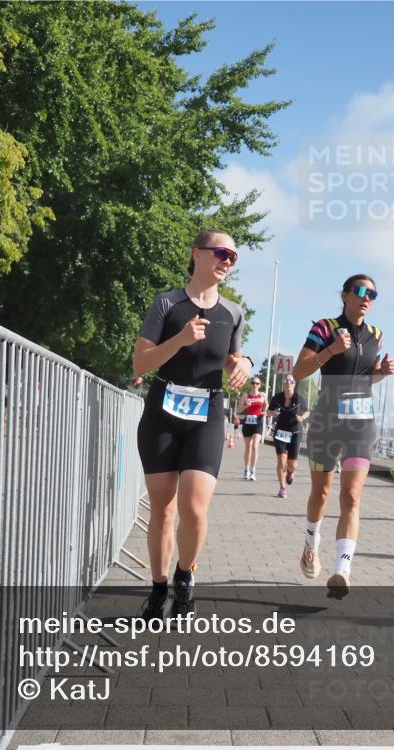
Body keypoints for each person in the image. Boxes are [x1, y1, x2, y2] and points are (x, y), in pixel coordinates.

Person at [133, 229, 252, 619]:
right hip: (162, 411)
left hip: (207, 414)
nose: (227, 261)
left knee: (195, 509)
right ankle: (157, 589)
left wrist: (244, 364)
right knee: (163, 511)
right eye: (221, 252)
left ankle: (185, 581)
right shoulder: (166, 304)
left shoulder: (233, 312)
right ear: (197, 254)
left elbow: (234, 356)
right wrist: (180, 340)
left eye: (233, 256)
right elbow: (140, 364)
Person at [292, 274, 394, 599]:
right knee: (321, 495)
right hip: (326, 419)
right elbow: (299, 371)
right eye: (361, 291)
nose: (367, 297)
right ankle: (311, 544)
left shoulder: (376, 335)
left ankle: (342, 569)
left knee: (351, 497)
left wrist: (381, 372)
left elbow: (367, 378)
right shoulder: (324, 328)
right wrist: (332, 350)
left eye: (373, 293)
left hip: (361, 421)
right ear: (346, 295)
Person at [267, 375, 310, 498]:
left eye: (291, 381)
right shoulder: (277, 397)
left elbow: (308, 411)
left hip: (295, 432)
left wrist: (302, 417)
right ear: (283, 384)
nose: (288, 383)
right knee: (281, 461)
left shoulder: (299, 398)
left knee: (292, 464)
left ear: (294, 384)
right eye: (286, 381)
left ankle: (290, 473)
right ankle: (282, 488)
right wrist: (273, 413)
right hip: (280, 432)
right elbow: (268, 411)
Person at [240, 377, 267, 480]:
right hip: (248, 422)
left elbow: (266, 405)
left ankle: (253, 471)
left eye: (257, 383)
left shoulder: (263, 395)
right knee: (248, 448)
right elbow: (238, 409)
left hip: (258, 422)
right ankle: (246, 469)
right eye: (253, 383)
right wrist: (246, 406)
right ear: (250, 384)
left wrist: (265, 411)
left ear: (260, 385)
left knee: (255, 446)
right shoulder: (245, 395)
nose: (255, 385)